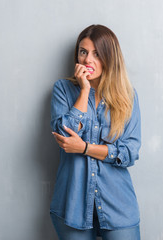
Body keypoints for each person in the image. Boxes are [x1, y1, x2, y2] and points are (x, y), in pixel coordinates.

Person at [50, 24, 142, 240]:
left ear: (110, 57)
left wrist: (84, 148)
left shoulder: (128, 96)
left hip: (118, 206)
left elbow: (129, 152)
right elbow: (64, 134)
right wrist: (84, 91)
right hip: (72, 206)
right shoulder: (63, 89)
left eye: (97, 54)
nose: (87, 60)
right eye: (83, 52)